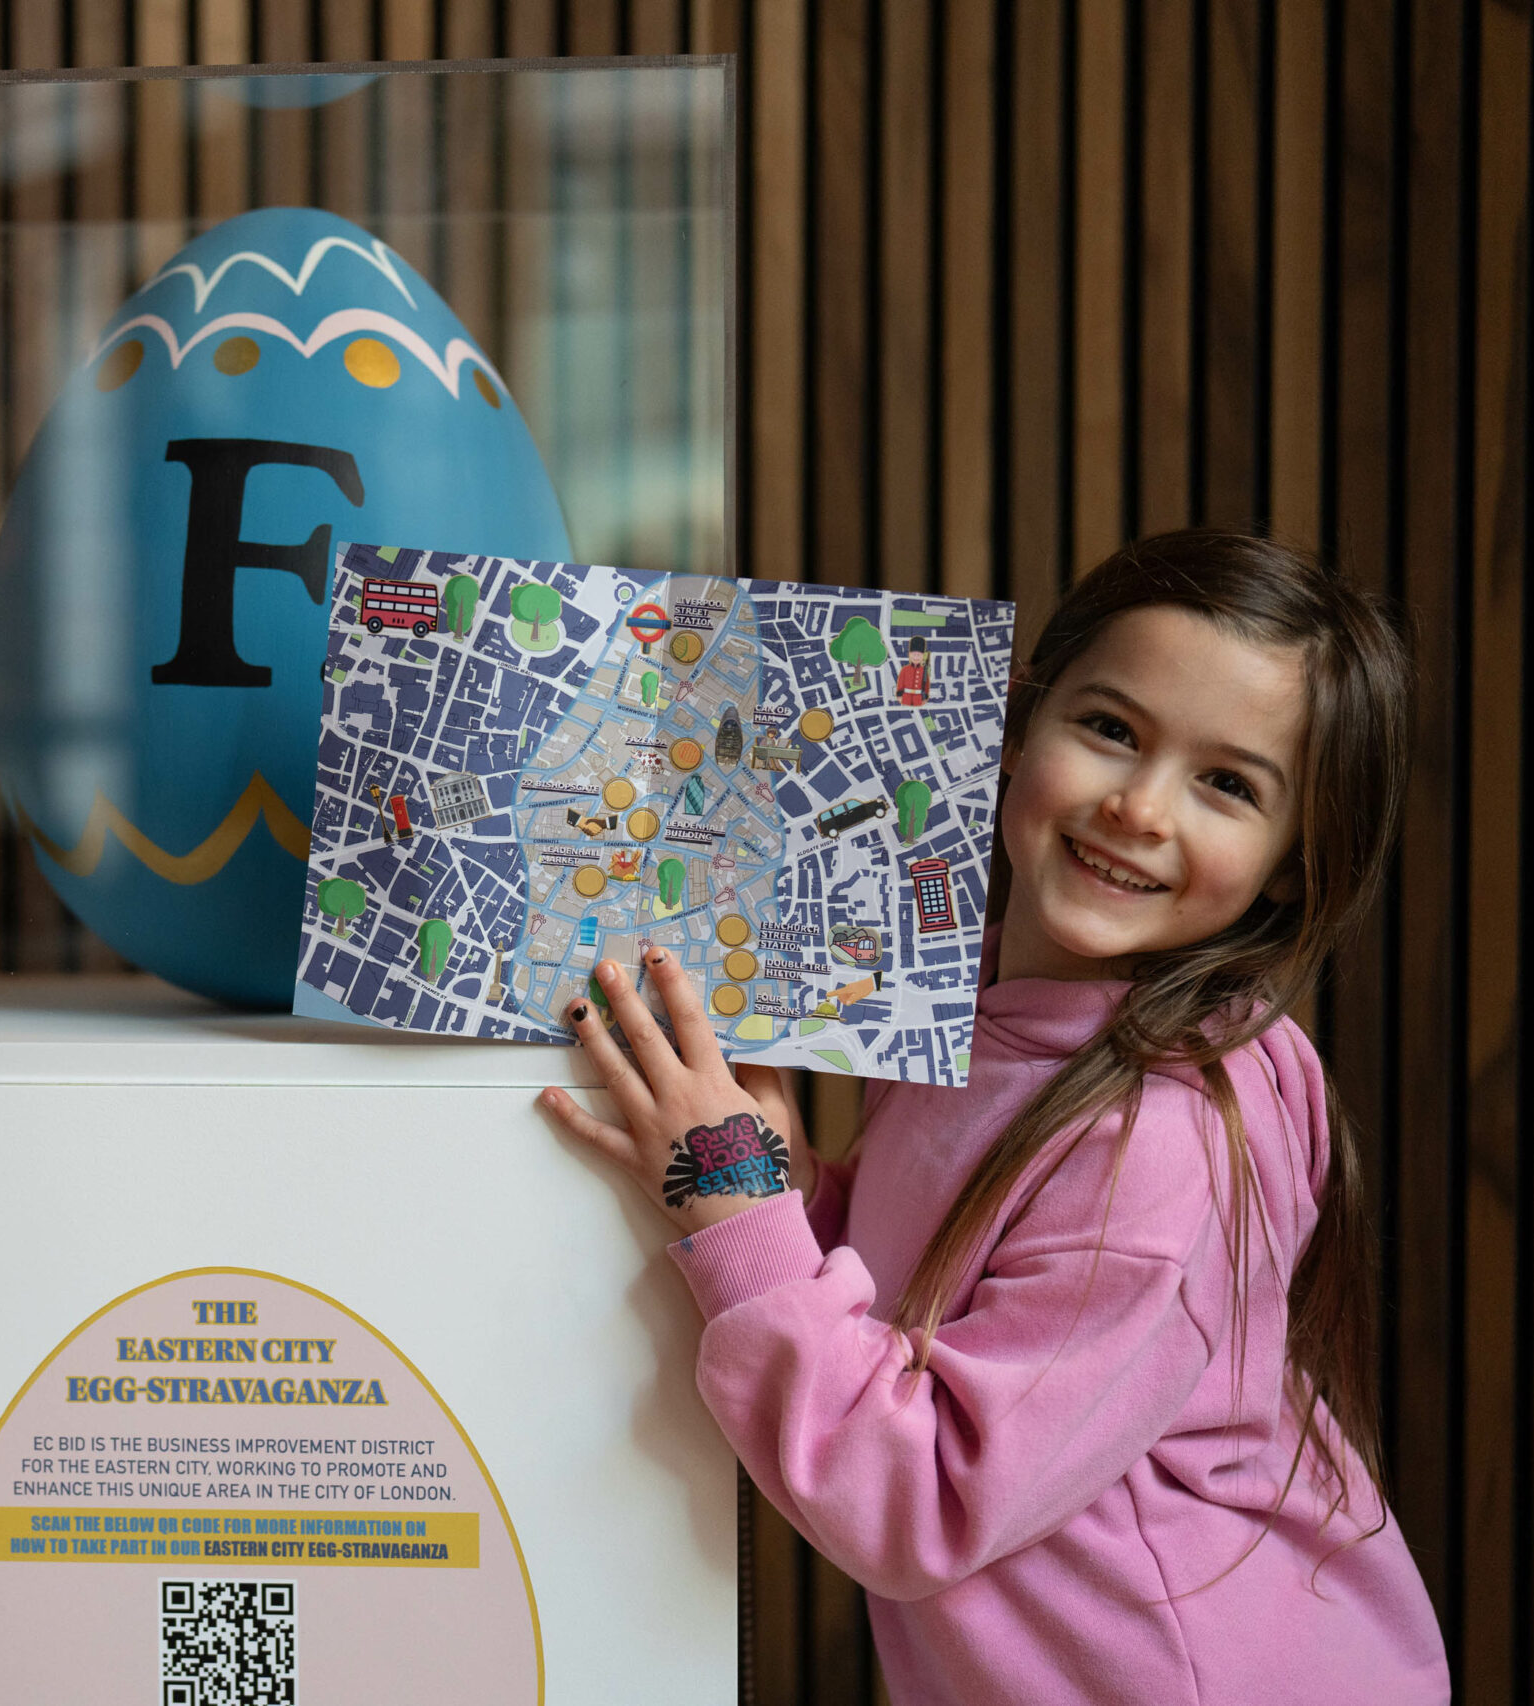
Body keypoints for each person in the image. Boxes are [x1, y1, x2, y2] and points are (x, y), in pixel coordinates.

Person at [543, 531, 1450, 1704]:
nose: (1137, 804)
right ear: (1017, 727)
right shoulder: (964, 1004)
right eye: (1111, 728)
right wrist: (788, 1188)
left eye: (1227, 784)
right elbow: (943, 1287)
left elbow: (917, 1489)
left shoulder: (1159, 1143)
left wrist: (731, 1192)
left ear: (1290, 861)